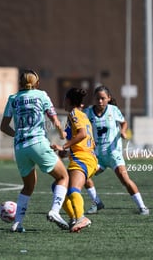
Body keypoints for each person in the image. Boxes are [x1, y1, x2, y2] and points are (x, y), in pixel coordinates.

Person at [0, 69, 70, 232]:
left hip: (20, 148)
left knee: (28, 186)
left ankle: (17, 223)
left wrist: (17, 134)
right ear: (37, 83)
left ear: (19, 84)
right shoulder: (42, 95)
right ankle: (55, 211)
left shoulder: (13, 99)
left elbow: (3, 127)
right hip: (38, 143)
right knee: (62, 176)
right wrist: (62, 133)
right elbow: (54, 120)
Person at [83, 86, 149, 215]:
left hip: (113, 153)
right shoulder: (88, 112)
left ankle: (142, 207)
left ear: (108, 98)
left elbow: (124, 123)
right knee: (83, 175)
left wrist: (123, 131)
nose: (100, 101)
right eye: (97, 99)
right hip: (97, 155)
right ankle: (97, 202)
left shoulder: (113, 110)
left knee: (124, 178)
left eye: (103, 98)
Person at [51, 88, 98, 232]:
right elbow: (74, 137)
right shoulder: (80, 115)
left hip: (83, 158)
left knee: (72, 189)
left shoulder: (73, 114)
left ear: (69, 101)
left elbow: (83, 134)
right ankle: (74, 218)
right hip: (84, 157)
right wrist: (62, 145)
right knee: (57, 187)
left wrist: (63, 146)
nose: (63, 101)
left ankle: (81, 218)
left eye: (65, 99)